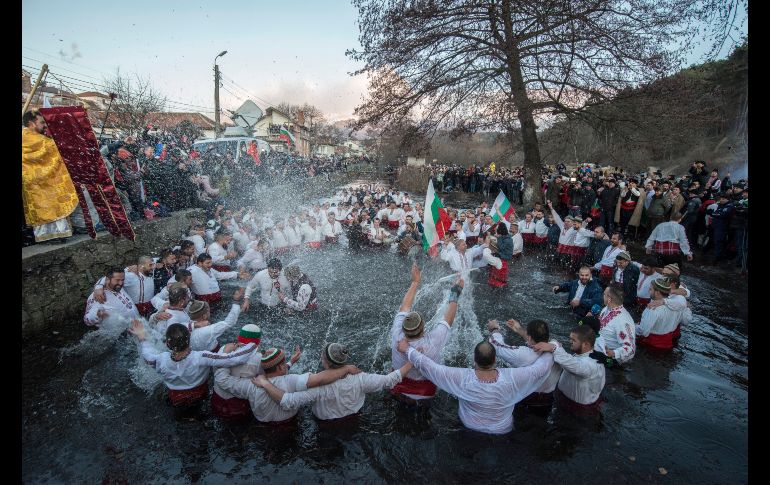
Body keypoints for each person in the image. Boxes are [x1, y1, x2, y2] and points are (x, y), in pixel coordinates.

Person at [397, 336, 554, 434]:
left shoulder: (463, 379)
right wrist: (553, 346)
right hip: (502, 432)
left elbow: (430, 367)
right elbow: (541, 368)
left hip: (468, 429)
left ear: (474, 360)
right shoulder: (513, 378)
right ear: (495, 360)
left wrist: (408, 350)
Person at [254, 342, 414, 421]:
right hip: (354, 422)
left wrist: (266, 383)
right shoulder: (361, 378)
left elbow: (287, 401)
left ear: (326, 361)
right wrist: (413, 360)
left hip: (326, 428)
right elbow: (390, 380)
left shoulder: (319, 388)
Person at [128, 319, 257, 407]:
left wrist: (142, 337)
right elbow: (232, 359)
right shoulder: (200, 356)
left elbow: (147, 355)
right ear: (189, 341)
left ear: (167, 343)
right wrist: (251, 344)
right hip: (200, 398)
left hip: (175, 401)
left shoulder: (160, 360)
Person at [213, 346, 359, 424]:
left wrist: (226, 355)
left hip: (263, 430)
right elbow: (320, 379)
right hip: (290, 426)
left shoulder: (250, 385)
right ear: (280, 368)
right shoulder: (291, 381)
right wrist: (345, 368)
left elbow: (222, 379)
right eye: (283, 363)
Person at [390, 264, 460, 405]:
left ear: (403, 326)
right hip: (425, 392)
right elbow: (448, 319)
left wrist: (415, 282)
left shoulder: (397, 334)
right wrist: (456, 290)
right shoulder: (434, 340)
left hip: (397, 386)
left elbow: (404, 307)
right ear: (423, 329)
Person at [21, 110, 79, 243]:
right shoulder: (27, 136)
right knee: (44, 207)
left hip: (42, 180)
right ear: (31, 123)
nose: (45, 126)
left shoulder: (34, 136)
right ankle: (47, 236)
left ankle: (58, 233)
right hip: (34, 182)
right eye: (41, 122)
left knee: (53, 203)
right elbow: (49, 147)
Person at [487, 319, 562, 414]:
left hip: (527, 398)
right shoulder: (556, 348)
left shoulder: (522, 355)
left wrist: (494, 329)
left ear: (530, 337)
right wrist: (520, 330)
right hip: (548, 400)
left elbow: (497, 346)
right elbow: (539, 344)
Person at [532, 325, 605, 414]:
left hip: (579, 412)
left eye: (573, 340)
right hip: (564, 402)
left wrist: (553, 347)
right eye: (570, 338)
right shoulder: (582, 354)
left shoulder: (592, 365)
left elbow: (575, 365)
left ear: (586, 344)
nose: (569, 342)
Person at [210, 324, 264, 419]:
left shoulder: (224, 349)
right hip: (238, 405)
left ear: (239, 338)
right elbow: (264, 379)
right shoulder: (259, 358)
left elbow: (215, 368)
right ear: (258, 341)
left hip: (217, 399)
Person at [636, 278, 692, 350]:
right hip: (668, 345)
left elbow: (644, 332)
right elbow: (685, 320)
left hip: (651, 346)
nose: (648, 291)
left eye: (650, 289)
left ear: (657, 292)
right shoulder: (678, 306)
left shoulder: (652, 308)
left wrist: (634, 326)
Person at [188, 288, 244, 352]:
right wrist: (236, 301)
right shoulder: (207, 330)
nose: (210, 313)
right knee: (232, 346)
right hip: (212, 355)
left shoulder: (186, 325)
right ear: (204, 316)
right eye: (208, 311)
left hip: (195, 353)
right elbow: (229, 322)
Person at [592, 285, 636, 367]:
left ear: (609, 299)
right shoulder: (606, 308)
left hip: (609, 361)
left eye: (604, 294)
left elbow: (630, 349)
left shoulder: (623, 321)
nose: (602, 295)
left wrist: (613, 353)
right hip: (597, 351)